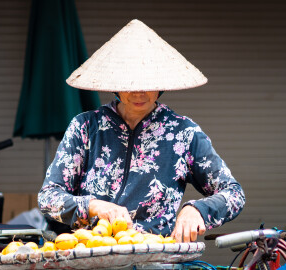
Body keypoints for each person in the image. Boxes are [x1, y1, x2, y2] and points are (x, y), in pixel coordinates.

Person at [38, 19, 245, 243]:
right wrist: (93, 206)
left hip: (156, 257)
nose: (139, 93)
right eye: (130, 83)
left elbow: (234, 193)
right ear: (114, 85)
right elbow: (49, 197)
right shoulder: (86, 127)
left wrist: (198, 209)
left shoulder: (183, 133)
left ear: (162, 84)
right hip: (90, 253)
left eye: (148, 82)